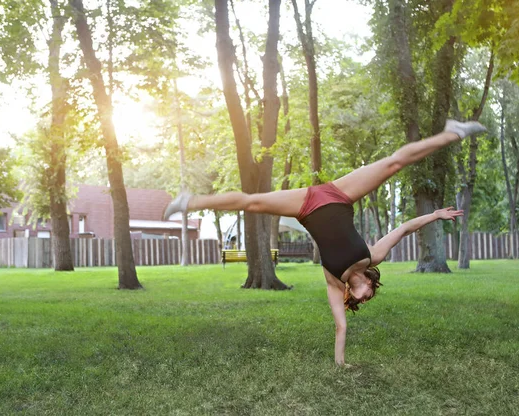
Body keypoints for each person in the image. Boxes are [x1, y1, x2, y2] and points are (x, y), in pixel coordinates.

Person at [164, 119, 487, 366]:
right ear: (371, 285)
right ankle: (190, 200)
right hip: (338, 194)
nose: (367, 297)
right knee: (393, 163)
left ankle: (188, 203)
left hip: (305, 205)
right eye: (370, 295)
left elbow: (341, 329)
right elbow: (403, 229)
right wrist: (435, 216)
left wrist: (341, 363)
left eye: (362, 300)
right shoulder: (372, 257)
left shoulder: (334, 283)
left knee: (254, 203)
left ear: (351, 295)